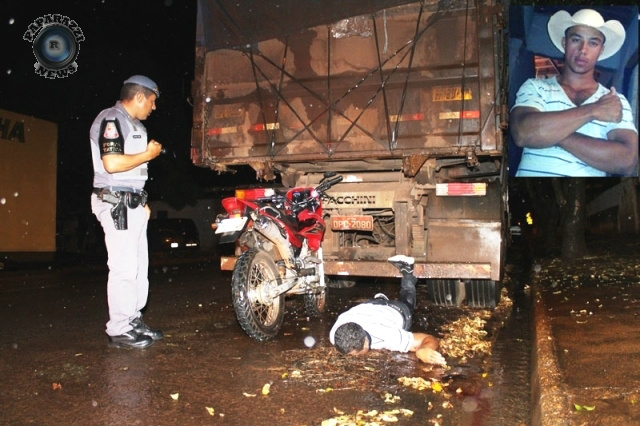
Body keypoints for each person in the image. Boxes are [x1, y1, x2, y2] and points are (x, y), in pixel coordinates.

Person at [511, 8, 638, 177]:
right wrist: (594, 110)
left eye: (593, 43)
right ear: (565, 43)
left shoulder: (614, 101)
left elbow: (626, 162)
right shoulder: (535, 87)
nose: (583, 50)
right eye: (576, 39)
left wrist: (548, 133)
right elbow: (522, 133)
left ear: (601, 50)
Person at [90, 75, 165, 349]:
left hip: (131, 202)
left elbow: (131, 173)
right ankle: (119, 328)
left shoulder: (135, 125)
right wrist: (148, 155)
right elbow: (111, 163)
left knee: (138, 268)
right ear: (140, 97)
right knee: (123, 267)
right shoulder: (112, 120)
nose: (153, 108)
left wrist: (141, 200)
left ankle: (132, 319)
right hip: (115, 202)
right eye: (152, 101)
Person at [329, 255, 446, 366]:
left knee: (408, 304)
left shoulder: (389, 336)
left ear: (366, 342)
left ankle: (408, 272)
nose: (354, 359)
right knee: (376, 308)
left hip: (397, 310)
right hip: (369, 305)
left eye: (356, 355)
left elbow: (429, 339)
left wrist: (422, 350)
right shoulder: (335, 336)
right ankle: (380, 300)